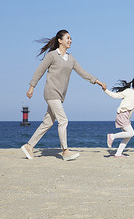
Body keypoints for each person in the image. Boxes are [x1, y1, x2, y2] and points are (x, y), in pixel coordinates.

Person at [21, 29, 105, 161]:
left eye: (71, 38)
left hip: (60, 95)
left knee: (48, 122)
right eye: (67, 38)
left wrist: (98, 82)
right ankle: (65, 151)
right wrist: (31, 87)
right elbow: (40, 71)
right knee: (63, 120)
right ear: (60, 40)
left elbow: (82, 72)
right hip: (51, 92)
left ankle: (29, 146)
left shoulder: (70, 58)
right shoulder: (52, 55)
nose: (70, 40)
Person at [103, 76, 134, 158]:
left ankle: (118, 153)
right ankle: (112, 136)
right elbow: (115, 96)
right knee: (131, 133)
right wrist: (105, 90)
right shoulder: (128, 92)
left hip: (126, 117)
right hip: (122, 115)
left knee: (128, 136)